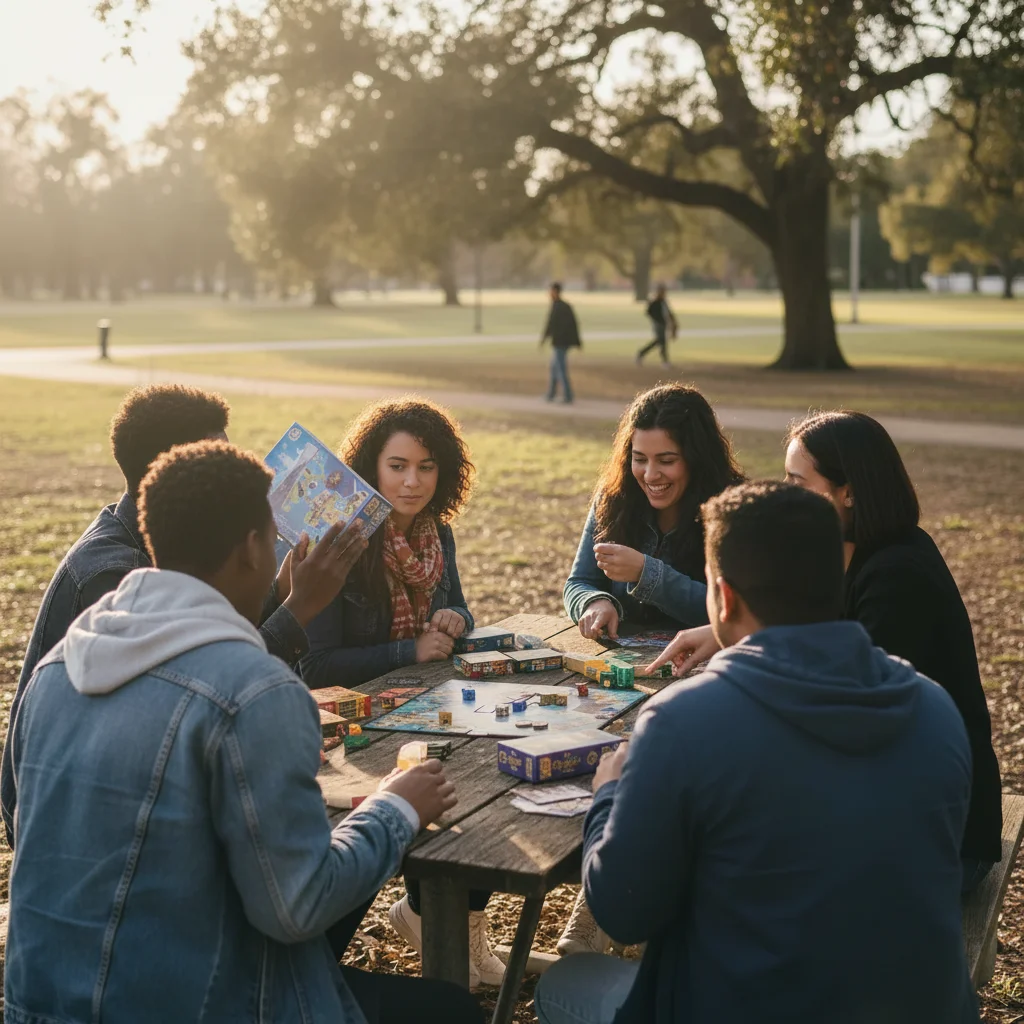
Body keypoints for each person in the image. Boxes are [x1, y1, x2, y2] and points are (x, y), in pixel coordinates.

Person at [3, 441, 483, 1024]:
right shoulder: (256, 691)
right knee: (453, 1010)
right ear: (257, 546)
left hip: (39, 1004)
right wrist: (394, 810)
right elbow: (297, 906)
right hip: (198, 1003)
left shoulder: (57, 669)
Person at [535, 481, 978, 1024]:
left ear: (721, 598)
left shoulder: (683, 723)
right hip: (923, 1007)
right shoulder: (934, 710)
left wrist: (608, 794)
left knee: (566, 983)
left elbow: (623, 912)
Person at [650, 410, 1002, 892]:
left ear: (849, 492)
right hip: (882, 805)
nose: (786, 494)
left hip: (941, 840)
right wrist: (721, 630)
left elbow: (851, 713)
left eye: (798, 481)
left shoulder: (899, 577)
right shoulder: (849, 551)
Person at [1, 384, 364, 846]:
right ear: (174, 471)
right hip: (70, 817)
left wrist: (277, 594)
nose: (229, 470)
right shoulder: (114, 572)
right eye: (217, 457)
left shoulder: (159, 540)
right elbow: (191, 687)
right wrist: (296, 611)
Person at [299, 398, 503, 988]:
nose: (413, 482)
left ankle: (447, 919)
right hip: (349, 728)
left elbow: (458, 605)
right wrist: (407, 652)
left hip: (423, 707)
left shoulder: (438, 535)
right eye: (397, 466)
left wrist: (452, 622)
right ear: (368, 467)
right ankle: (422, 921)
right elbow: (314, 664)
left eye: (427, 466)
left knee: (485, 777)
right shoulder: (340, 540)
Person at [563, 384, 743, 643]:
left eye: (666, 461)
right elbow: (579, 581)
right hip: (623, 666)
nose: (650, 475)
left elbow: (736, 614)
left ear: (698, 457)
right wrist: (595, 603)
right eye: (639, 459)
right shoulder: (614, 498)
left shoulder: (734, 510)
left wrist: (647, 574)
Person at [539, 281, 581, 404]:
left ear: (555, 292)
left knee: (561, 369)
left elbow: (571, 325)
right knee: (554, 368)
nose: (549, 294)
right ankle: (551, 393)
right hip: (559, 342)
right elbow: (551, 325)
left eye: (551, 291)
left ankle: (568, 395)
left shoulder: (560, 307)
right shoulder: (558, 306)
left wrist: (577, 342)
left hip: (561, 343)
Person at [635, 284, 677, 366]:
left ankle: (641, 353)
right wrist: (657, 319)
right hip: (658, 324)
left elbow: (668, 313)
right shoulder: (655, 302)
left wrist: (672, 322)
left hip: (663, 323)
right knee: (662, 341)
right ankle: (665, 361)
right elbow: (648, 312)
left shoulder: (663, 301)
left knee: (659, 341)